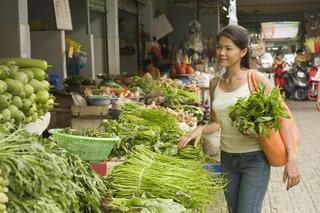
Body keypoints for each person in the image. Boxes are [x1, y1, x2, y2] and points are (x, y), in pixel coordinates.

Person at [178, 25, 300, 213]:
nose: (221, 53)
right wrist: (200, 129)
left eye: (228, 48)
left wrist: (292, 158)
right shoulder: (214, 83)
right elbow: (216, 122)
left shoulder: (256, 79)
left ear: (243, 51)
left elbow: (282, 117)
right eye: (219, 47)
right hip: (227, 159)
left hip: (255, 160)